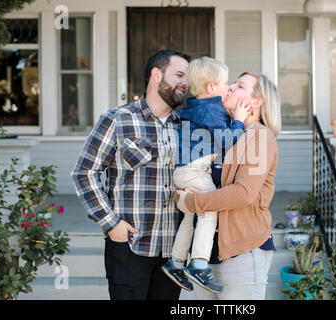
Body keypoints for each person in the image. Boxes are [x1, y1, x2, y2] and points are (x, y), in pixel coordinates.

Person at [71, 49, 191, 300]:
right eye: (179, 74)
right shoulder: (117, 119)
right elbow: (84, 172)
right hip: (129, 247)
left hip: (173, 252)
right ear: (156, 75)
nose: (185, 83)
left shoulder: (188, 125)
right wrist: (110, 223)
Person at [175, 72, 281, 300]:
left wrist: (191, 202)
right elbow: (193, 175)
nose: (230, 87)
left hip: (241, 251)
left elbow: (243, 193)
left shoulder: (259, 138)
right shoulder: (223, 132)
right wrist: (180, 195)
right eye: (232, 83)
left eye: (240, 85)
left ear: (256, 102)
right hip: (204, 255)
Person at [161, 57, 249, 294]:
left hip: (184, 172)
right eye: (225, 83)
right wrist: (238, 120)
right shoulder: (211, 110)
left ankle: (176, 262)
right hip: (195, 170)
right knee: (209, 210)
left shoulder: (192, 107)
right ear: (211, 88)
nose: (229, 86)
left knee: (191, 217)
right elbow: (228, 141)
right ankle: (199, 264)